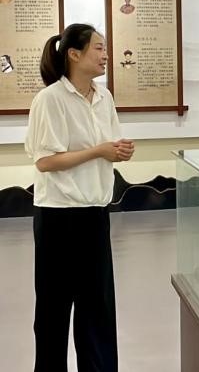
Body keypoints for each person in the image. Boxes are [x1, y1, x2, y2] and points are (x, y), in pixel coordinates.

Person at [25, 23, 135, 372]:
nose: (105, 55)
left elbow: (108, 145)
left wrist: (118, 151)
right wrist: (99, 151)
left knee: (98, 308)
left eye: (105, 48)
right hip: (58, 215)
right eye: (98, 48)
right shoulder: (50, 99)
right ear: (74, 54)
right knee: (53, 311)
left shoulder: (105, 98)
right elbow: (45, 161)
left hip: (95, 212)